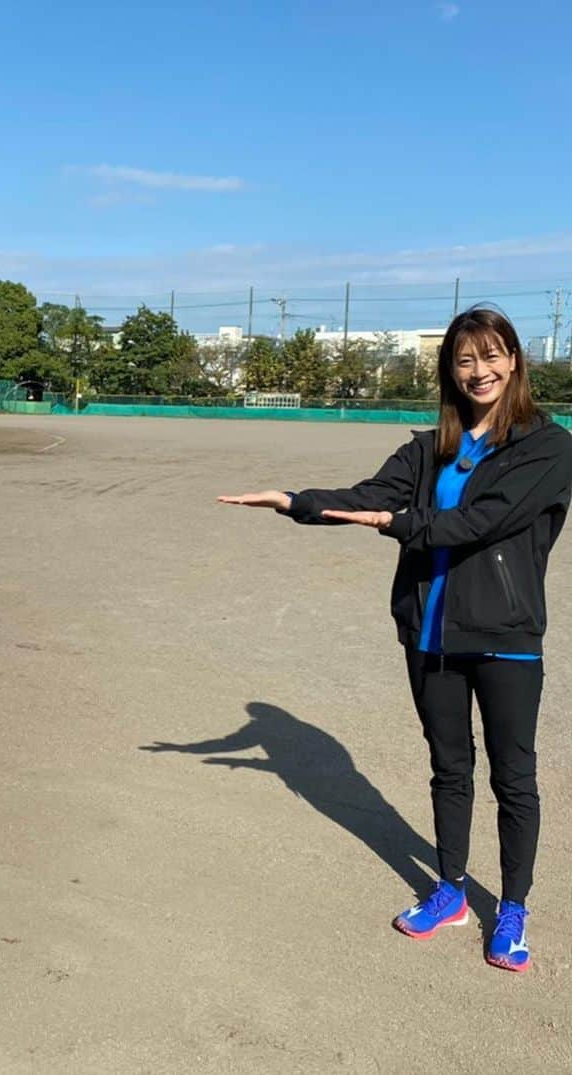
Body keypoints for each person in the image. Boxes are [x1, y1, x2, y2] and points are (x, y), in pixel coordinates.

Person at [219, 306, 572, 974]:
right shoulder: (430, 446)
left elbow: (480, 522)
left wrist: (394, 520)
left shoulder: (547, 447)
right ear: (450, 370)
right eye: (465, 360)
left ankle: (515, 906)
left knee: (513, 776)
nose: (480, 370)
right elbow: (365, 494)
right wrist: (295, 500)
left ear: (516, 360)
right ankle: (452, 889)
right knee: (449, 766)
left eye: (492, 355)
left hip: (505, 636)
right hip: (430, 632)